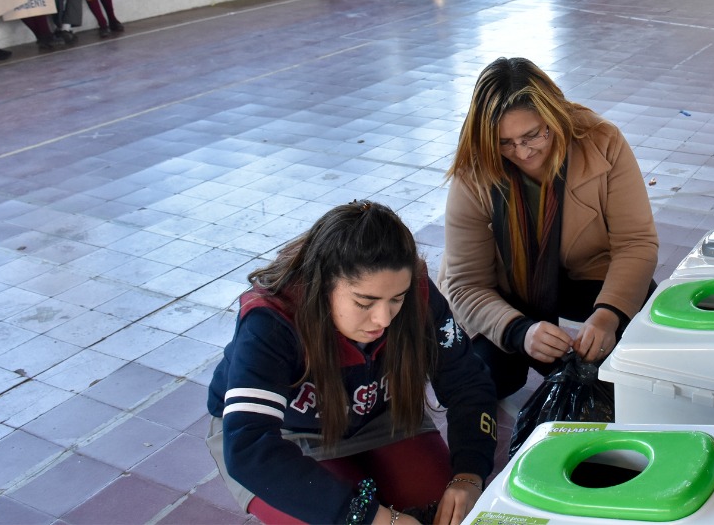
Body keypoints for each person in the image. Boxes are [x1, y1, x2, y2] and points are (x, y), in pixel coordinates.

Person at [207, 201, 498, 525]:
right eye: (364, 302)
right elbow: (249, 449)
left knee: (449, 511)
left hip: (381, 417)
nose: (383, 318)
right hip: (290, 433)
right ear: (323, 285)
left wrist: (469, 474)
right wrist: (371, 516)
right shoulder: (272, 319)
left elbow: (469, 382)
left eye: (396, 299)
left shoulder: (417, 293)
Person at [439, 57, 659, 399]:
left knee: (639, 337)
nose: (522, 152)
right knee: (490, 379)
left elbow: (636, 243)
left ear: (554, 117)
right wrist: (519, 331)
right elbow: (466, 284)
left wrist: (607, 315)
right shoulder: (475, 167)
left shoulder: (602, 140)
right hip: (505, 288)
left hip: (583, 274)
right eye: (504, 142)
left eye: (532, 135)